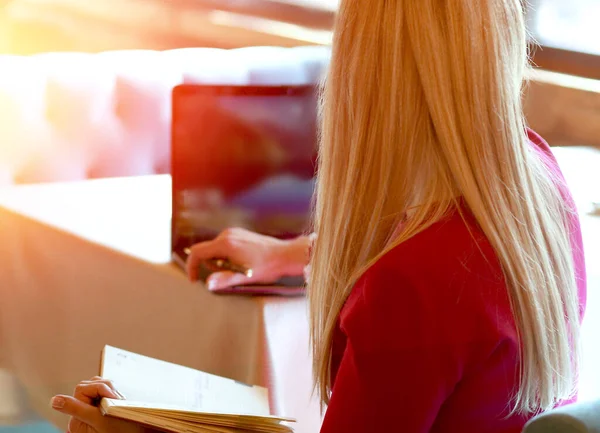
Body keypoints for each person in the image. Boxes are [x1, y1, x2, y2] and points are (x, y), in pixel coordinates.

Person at [50, 0, 587, 432]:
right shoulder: (538, 175)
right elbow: (440, 251)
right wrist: (289, 252)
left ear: (363, 74)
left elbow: (424, 280)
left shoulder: (409, 287)